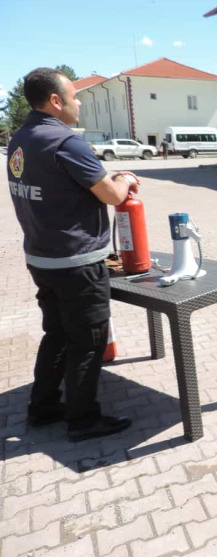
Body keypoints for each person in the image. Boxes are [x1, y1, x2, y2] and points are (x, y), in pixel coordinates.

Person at [7, 67, 136, 441]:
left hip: (41, 259)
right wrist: (124, 179)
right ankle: (83, 420)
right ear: (55, 101)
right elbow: (112, 196)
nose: (79, 102)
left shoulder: (21, 139)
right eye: (75, 95)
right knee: (88, 340)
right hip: (75, 262)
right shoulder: (65, 142)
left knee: (57, 334)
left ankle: (43, 408)